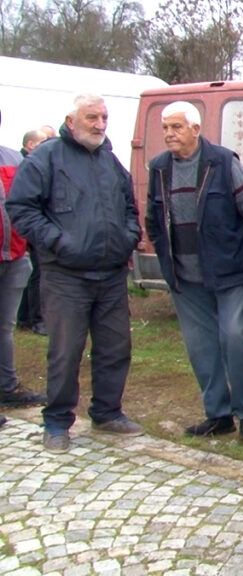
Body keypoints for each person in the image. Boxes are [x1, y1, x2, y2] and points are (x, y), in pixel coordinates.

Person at [7, 93, 144, 452]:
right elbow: (21, 207)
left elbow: (130, 207)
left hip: (111, 273)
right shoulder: (45, 159)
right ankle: (56, 421)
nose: (100, 124)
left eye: (103, 117)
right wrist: (58, 242)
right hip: (66, 275)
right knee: (65, 351)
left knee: (116, 347)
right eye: (91, 118)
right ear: (71, 121)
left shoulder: (110, 162)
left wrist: (129, 237)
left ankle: (107, 411)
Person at [146, 101, 243, 441]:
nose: (169, 133)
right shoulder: (158, 169)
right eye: (166, 127)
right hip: (186, 278)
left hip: (230, 271)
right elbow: (153, 222)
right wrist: (167, 257)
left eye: (176, 127)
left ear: (196, 130)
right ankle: (218, 415)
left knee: (233, 339)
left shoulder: (223, 163)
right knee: (201, 348)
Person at [0, 156, 45, 409]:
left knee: (5, 328)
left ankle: (8, 388)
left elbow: (26, 203)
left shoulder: (12, 159)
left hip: (14, 256)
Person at [17, 129, 48, 337]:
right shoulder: (27, 165)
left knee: (32, 273)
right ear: (30, 145)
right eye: (42, 143)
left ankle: (24, 318)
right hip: (30, 227)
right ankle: (36, 319)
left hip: (29, 226)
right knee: (37, 274)